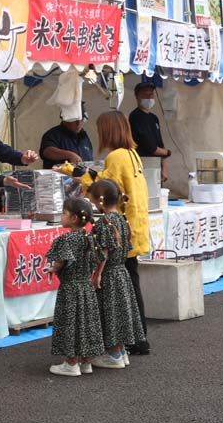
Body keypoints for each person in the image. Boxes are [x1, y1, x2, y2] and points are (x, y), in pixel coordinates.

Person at [55, 110, 152, 355]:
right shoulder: (132, 153)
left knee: (121, 289)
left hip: (119, 231)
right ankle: (136, 338)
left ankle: (130, 340)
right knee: (131, 283)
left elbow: (101, 188)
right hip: (133, 226)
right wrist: (77, 171)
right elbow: (104, 180)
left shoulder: (116, 156)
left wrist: (71, 172)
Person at [43, 196, 104, 377]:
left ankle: (70, 363)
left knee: (69, 322)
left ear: (74, 218)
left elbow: (62, 261)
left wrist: (52, 268)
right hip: (86, 287)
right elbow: (102, 257)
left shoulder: (67, 239)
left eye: (64, 213)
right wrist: (96, 275)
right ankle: (86, 362)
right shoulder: (90, 237)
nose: (61, 216)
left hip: (70, 288)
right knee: (85, 322)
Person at [88, 179, 144, 370]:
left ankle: (113, 354)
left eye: (93, 201)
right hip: (122, 271)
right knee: (120, 311)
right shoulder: (121, 218)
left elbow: (103, 252)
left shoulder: (104, 223)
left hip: (110, 273)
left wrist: (97, 275)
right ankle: (120, 351)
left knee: (109, 312)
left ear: (100, 201)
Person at [129, 83, 170, 183]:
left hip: (156, 164)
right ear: (137, 97)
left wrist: (164, 167)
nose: (149, 97)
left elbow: (160, 143)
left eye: (151, 95)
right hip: (142, 163)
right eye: (144, 95)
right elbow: (150, 147)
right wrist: (168, 152)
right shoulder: (135, 117)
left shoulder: (154, 118)